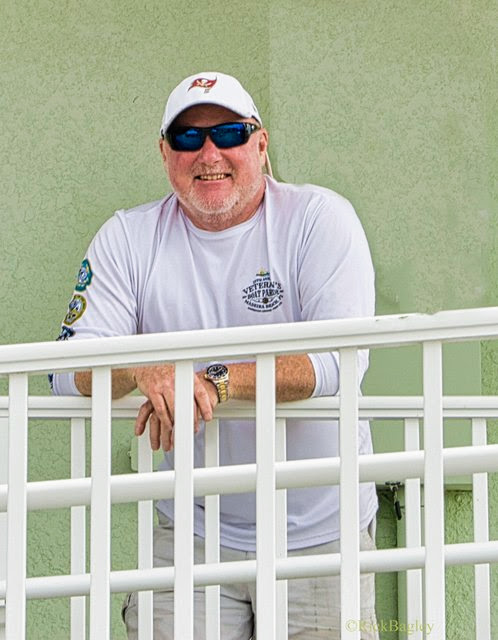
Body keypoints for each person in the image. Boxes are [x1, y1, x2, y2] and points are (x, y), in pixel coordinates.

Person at [51, 71, 379, 639]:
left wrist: (213, 380)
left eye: (229, 133)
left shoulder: (319, 218)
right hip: (191, 530)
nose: (209, 154)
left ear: (260, 143)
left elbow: (336, 363)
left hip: (323, 533)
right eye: (188, 137)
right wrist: (141, 366)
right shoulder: (128, 237)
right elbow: (64, 371)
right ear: (164, 153)